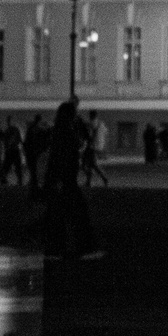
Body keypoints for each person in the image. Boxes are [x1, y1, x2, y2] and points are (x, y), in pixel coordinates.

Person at [42, 98, 102, 260]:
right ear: (70, 116)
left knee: (59, 215)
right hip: (66, 180)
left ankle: (56, 249)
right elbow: (67, 154)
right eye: (75, 114)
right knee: (78, 215)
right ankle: (84, 248)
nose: (77, 116)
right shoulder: (66, 132)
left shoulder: (59, 130)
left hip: (61, 179)